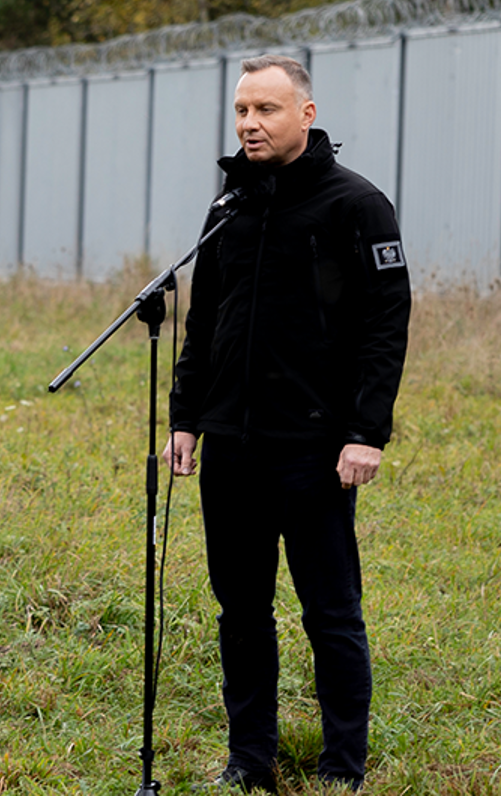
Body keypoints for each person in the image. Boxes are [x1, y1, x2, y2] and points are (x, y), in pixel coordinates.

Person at [160, 55, 409, 793]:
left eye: (265, 110)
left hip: (315, 450)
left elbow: (385, 323)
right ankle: (250, 759)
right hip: (232, 446)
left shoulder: (355, 205)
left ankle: (343, 767)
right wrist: (186, 417)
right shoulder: (229, 207)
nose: (248, 124)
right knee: (240, 610)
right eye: (241, 110)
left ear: (305, 113)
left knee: (330, 611)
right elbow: (204, 320)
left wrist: (366, 431)